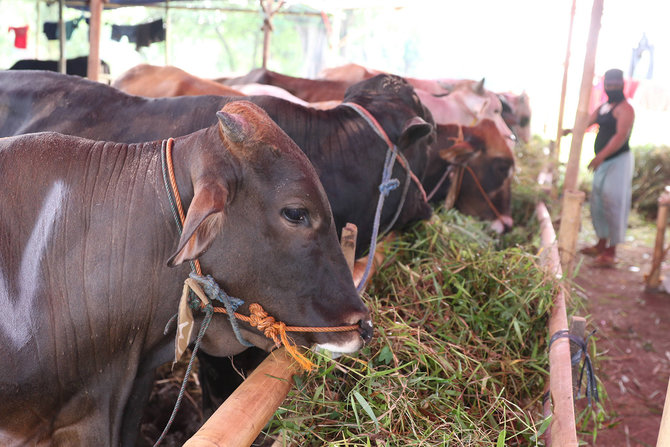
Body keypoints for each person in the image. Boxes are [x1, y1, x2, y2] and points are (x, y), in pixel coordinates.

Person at [579, 68, 635, 267]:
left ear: (622, 85)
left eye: (615, 85)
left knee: (614, 200)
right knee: (598, 201)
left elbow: (620, 137)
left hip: (618, 160)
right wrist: (572, 130)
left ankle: (612, 250)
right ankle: (601, 242)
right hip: (603, 161)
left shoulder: (625, 109)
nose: (612, 88)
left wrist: (600, 156)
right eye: (608, 85)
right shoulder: (603, 107)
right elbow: (587, 123)